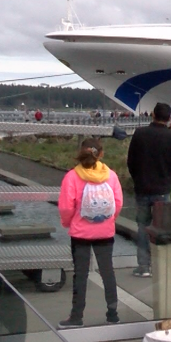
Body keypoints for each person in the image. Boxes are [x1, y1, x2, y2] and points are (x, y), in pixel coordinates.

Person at [58, 138, 123, 328]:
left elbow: (65, 207)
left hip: (80, 234)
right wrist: (110, 220)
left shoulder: (72, 176)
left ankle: (76, 317)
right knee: (108, 272)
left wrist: (68, 223)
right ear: (100, 154)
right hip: (105, 232)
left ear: (81, 152)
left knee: (80, 275)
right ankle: (113, 315)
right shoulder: (111, 175)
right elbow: (117, 203)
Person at [126, 102, 171, 277]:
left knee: (143, 226)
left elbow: (131, 161)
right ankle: (161, 265)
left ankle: (143, 266)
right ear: (169, 119)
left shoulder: (140, 134)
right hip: (162, 189)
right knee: (161, 227)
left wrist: (137, 178)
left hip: (142, 187)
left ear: (152, 115)